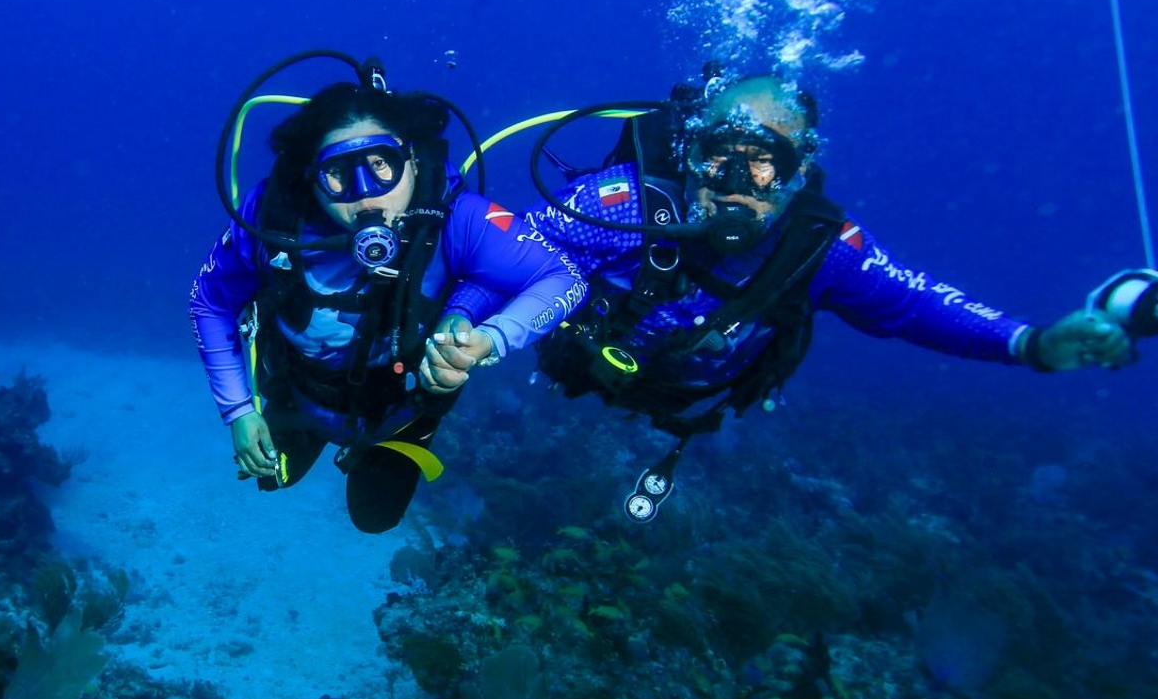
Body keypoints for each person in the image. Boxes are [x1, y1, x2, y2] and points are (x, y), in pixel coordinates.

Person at [430, 74, 1144, 521]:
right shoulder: (620, 205)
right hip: (579, 370)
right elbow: (506, 259)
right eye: (720, 152)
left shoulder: (824, 246)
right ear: (687, 153)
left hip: (694, 403)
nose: (738, 176)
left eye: (766, 160)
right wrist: (465, 326)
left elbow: (917, 305)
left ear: (799, 174)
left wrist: (1032, 343)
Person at [189, 79, 587, 533]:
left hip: (400, 405)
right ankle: (305, 431)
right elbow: (209, 302)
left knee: (373, 519)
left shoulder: (461, 218)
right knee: (273, 479)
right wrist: (239, 411)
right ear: (310, 180)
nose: (366, 195)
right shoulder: (269, 223)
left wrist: (491, 339)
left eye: (381, 164)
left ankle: (391, 442)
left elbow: (564, 277)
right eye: (337, 172)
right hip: (298, 391)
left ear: (413, 161)